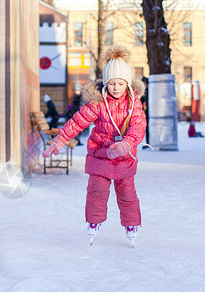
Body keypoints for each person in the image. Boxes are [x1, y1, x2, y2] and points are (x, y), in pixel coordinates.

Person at [42, 45, 146, 247]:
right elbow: (78, 122)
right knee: (96, 192)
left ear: (127, 84)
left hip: (124, 157)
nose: (116, 88)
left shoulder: (133, 105)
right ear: (106, 84)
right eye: (112, 83)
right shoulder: (98, 103)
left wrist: (127, 143)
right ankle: (93, 223)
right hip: (100, 155)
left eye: (120, 83)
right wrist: (60, 140)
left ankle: (131, 225)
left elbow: (138, 126)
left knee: (127, 194)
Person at [140, 76, 149, 148]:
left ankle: (150, 142)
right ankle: (148, 142)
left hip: (151, 112)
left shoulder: (150, 91)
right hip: (147, 112)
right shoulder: (145, 91)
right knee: (147, 128)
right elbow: (141, 101)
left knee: (149, 128)